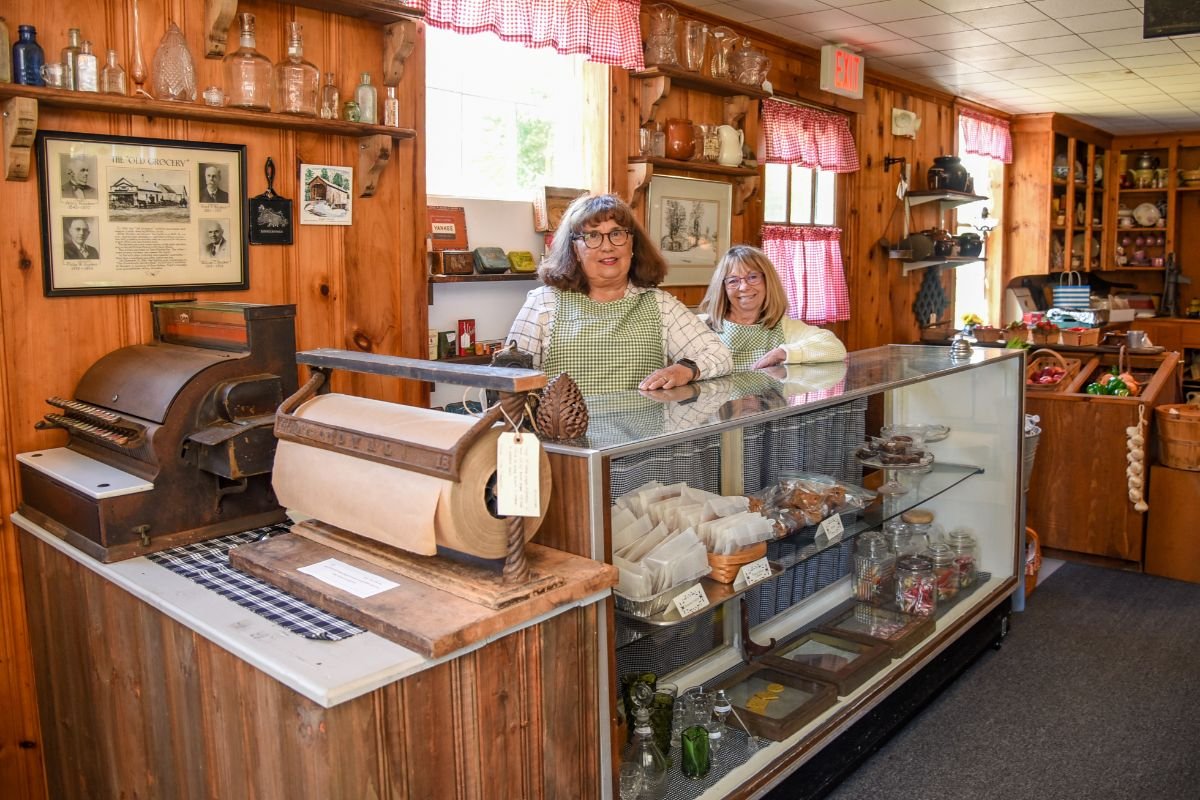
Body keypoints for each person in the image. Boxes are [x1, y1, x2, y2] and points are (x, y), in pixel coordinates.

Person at [507, 193, 731, 395]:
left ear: (632, 243)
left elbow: (720, 355)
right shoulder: (543, 302)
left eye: (616, 233)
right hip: (563, 439)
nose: (607, 247)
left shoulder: (660, 304)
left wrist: (684, 369)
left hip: (644, 438)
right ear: (575, 250)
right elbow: (508, 379)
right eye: (592, 236)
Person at [698, 245, 846, 370]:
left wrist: (782, 353)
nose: (744, 287)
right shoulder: (700, 326)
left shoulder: (784, 327)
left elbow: (835, 348)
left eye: (753, 277)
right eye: (733, 281)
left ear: (768, 281)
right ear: (722, 288)